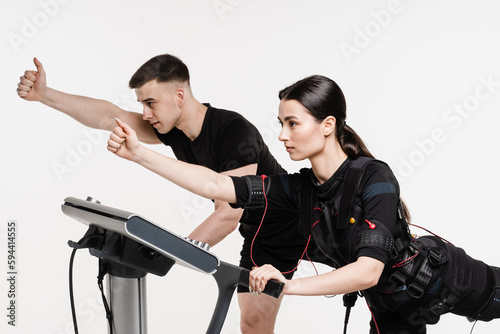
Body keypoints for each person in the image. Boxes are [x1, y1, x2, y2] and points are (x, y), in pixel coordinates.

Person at [107, 74, 500, 333]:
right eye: (280, 123)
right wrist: (140, 154)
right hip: (391, 306)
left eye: (292, 123)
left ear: (327, 125)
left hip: (448, 280)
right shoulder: (298, 190)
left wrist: (286, 287)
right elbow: (216, 183)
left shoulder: (373, 176)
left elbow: (366, 271)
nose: (280, 135)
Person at [16, 55, 309, 334]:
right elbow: (111, 117)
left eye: (151, 103)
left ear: (179, 97)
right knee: (254, 323)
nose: (145, 114)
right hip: (263, 236)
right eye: (142, 104)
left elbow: (228, 213)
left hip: (302, 223)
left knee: (352, 273)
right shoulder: (174, 128)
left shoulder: (233, 131)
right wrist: (45, 94)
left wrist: (168, 252)